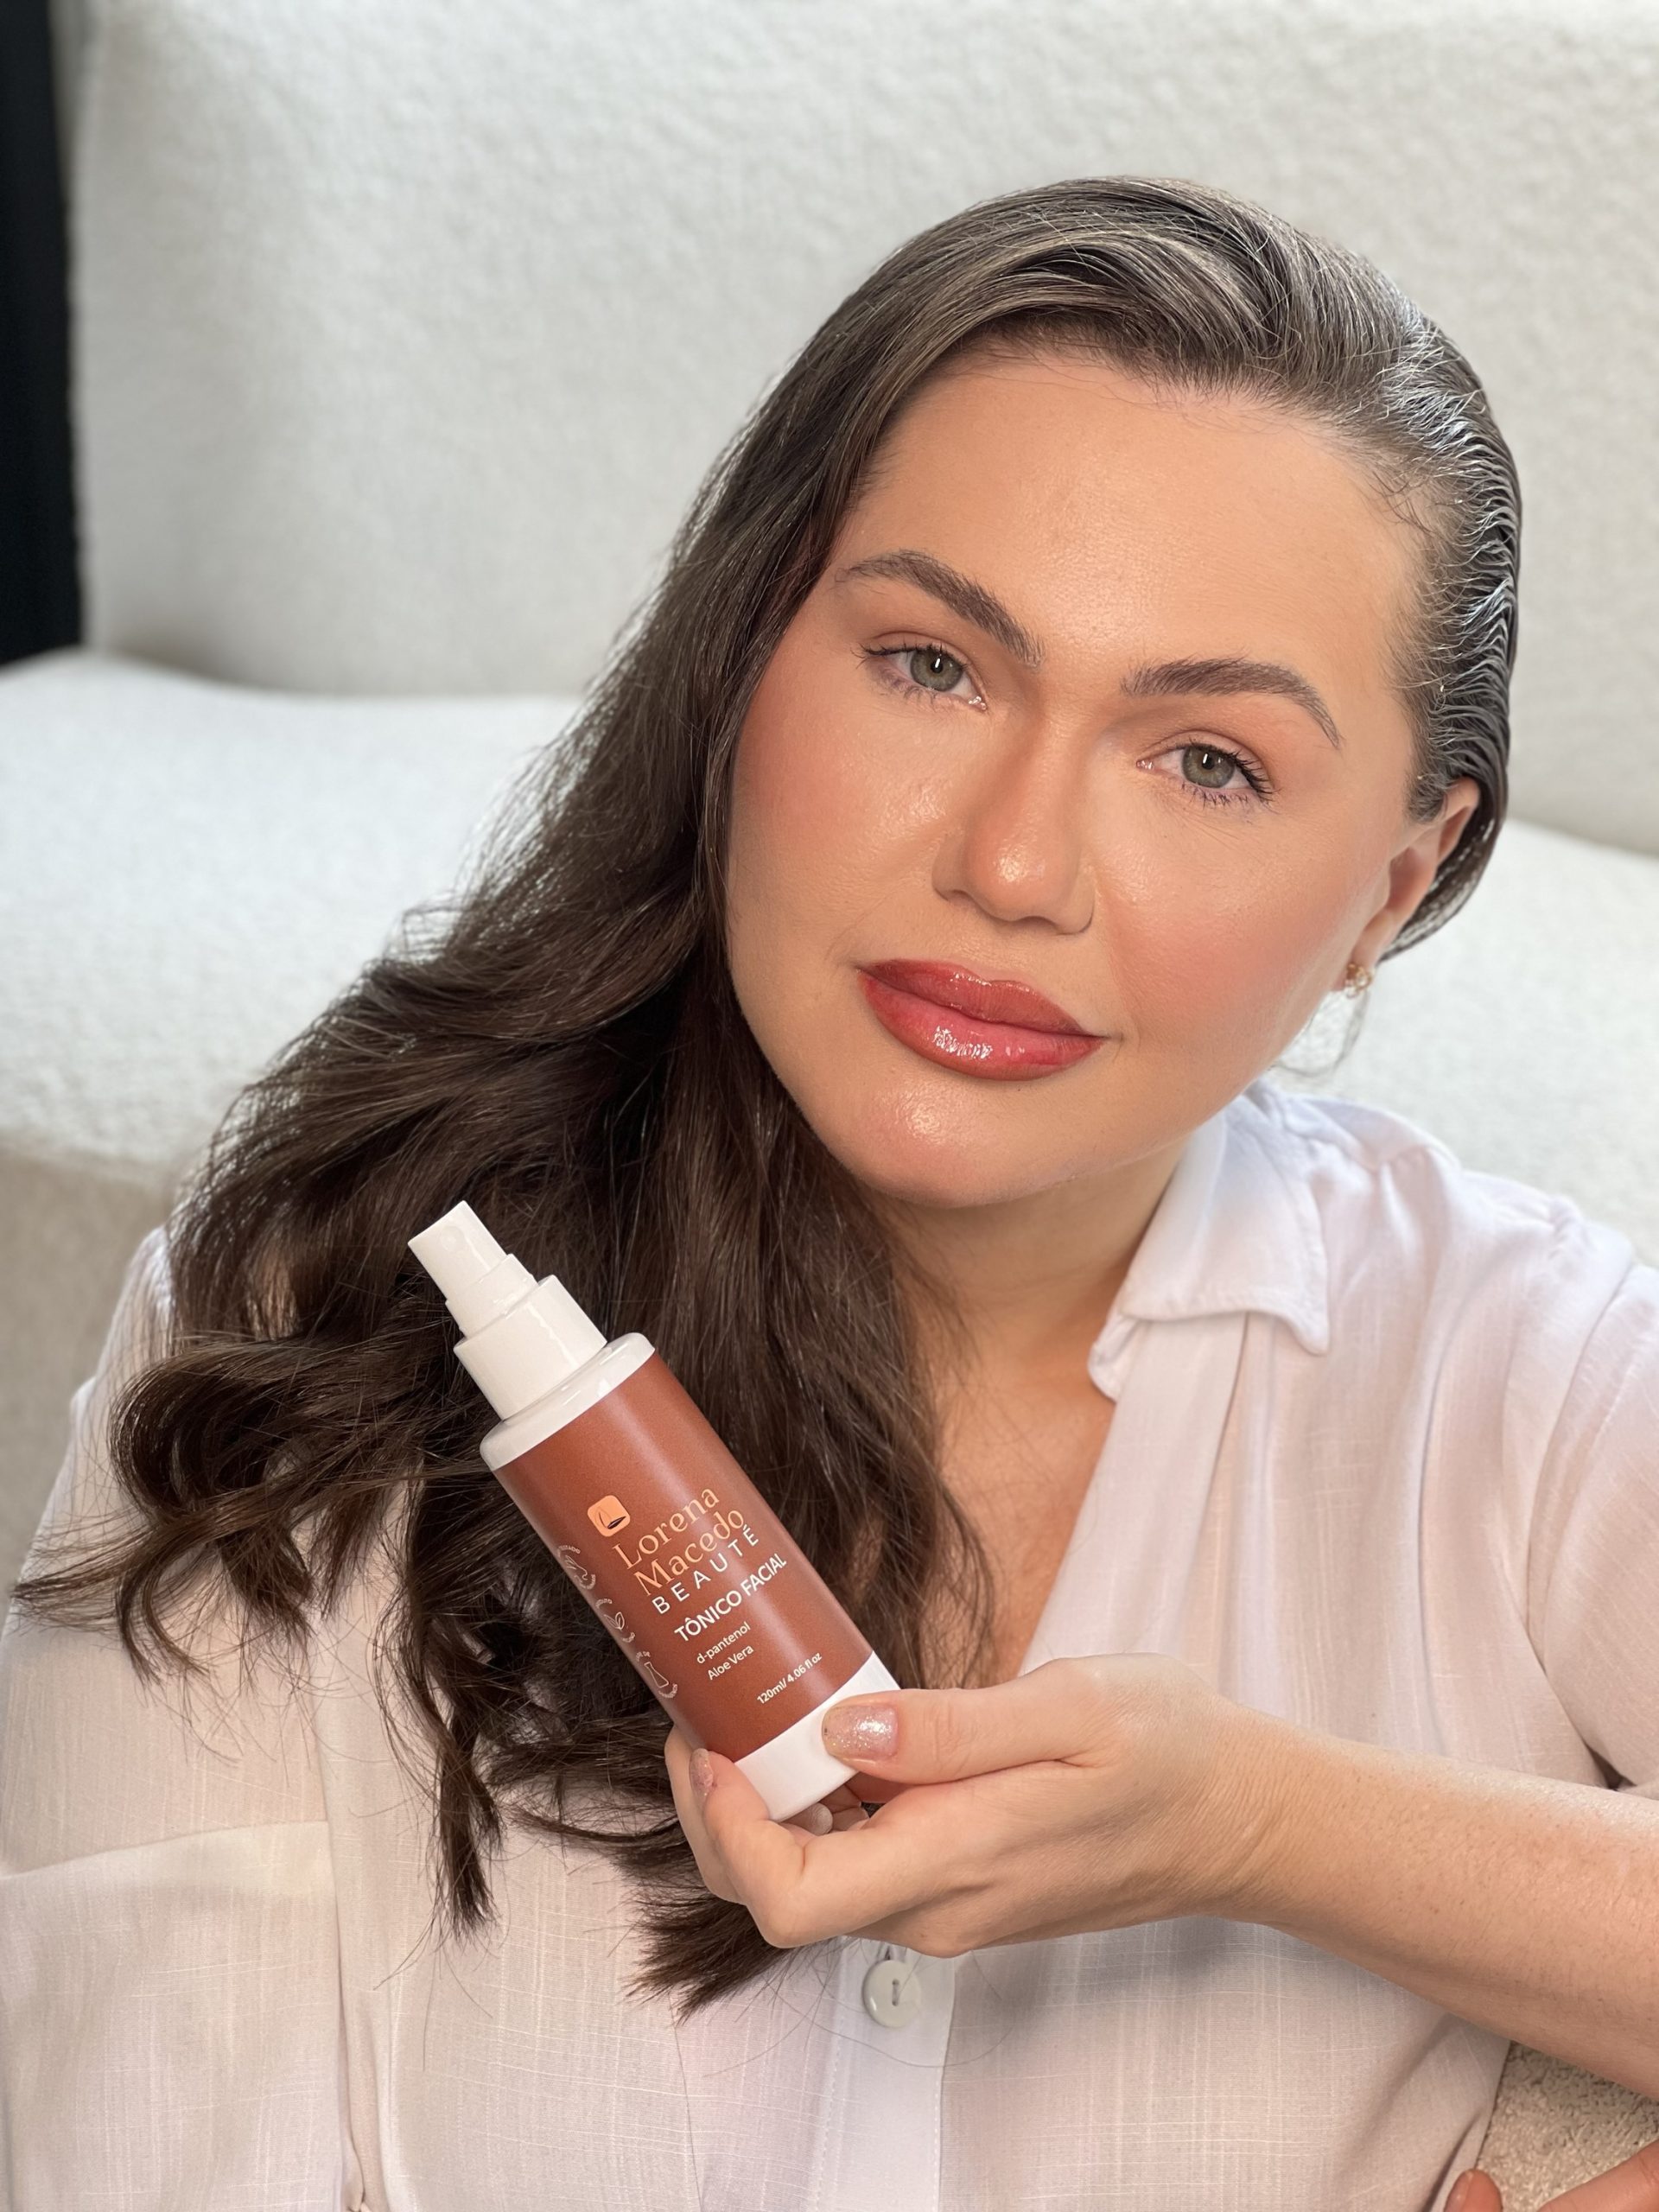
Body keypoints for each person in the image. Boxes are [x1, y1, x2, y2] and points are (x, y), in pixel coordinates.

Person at [2, 174, 1656, 2211]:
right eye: (933, 664)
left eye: (1208, 760)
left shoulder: (1520, 1365)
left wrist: (1253, 1825)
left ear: (1391, 887)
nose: (1015, 864)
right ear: (746, 658)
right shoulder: (301, 1318)